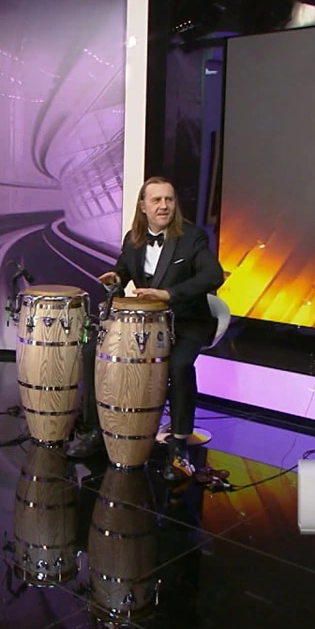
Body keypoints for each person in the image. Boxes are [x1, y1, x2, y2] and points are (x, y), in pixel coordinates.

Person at [66, 177, 225, 484]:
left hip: (187, 321)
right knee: (91, 352)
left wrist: (169, 294)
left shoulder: (192, 237)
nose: (164, 206)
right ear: (143, 206)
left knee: (178, 366)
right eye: (156, 200)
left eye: (169, 199)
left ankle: (179, 446)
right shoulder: (133, 239)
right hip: (147, 324)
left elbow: (213, 275)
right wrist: (116, 278)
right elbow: (124, 270)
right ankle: (95, 430)